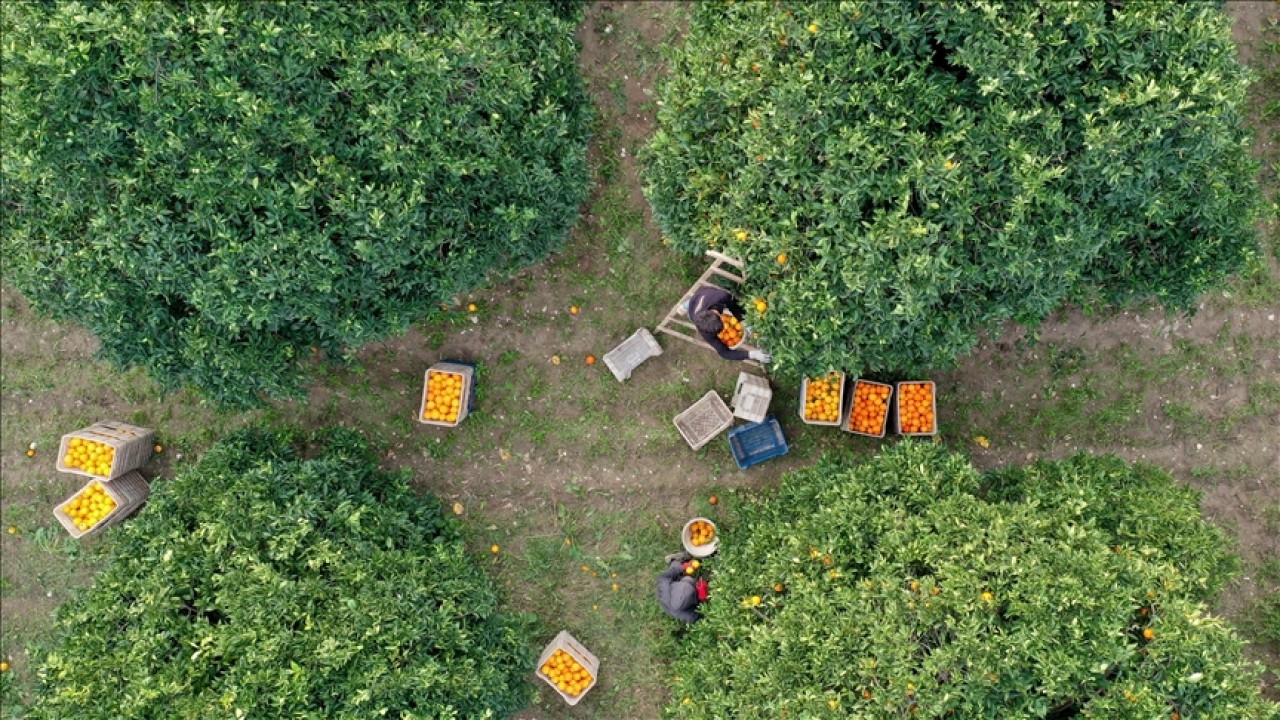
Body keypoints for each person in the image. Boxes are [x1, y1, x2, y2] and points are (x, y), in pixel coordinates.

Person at [683, 286, 772, 363]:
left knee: (695, 301)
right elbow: (724, 353)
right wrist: (752, 354)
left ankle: (688, 303)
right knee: (688, 310)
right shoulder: (704, 330)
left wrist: (743, 321)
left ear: (719, 315)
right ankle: (687, 305)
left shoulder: (722, 296)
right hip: (693, 311)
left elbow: (735, 306)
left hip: (706, 293)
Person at [657, 551, 709, 623]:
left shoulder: (664, 588)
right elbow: (703, 613)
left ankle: (674, 559)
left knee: (675, 569)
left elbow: (664, 576)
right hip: (691, 601)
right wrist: (703, 597)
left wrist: (682, 567)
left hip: (675, 585)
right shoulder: (690, 616)